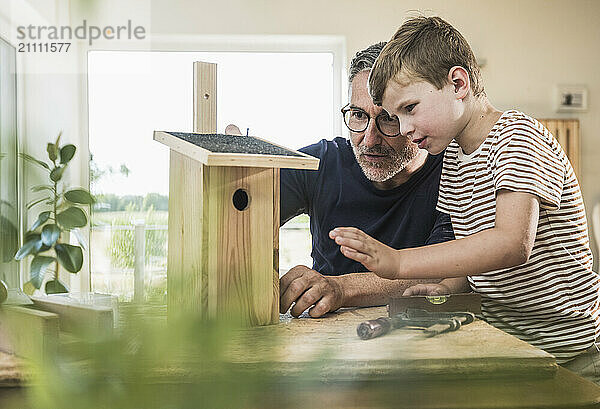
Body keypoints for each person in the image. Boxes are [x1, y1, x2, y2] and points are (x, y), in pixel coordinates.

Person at [329, 16, 600, 381]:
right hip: (509, 347)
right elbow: (474, 256)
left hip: (570, 353)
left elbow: (510, 245)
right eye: (397, 116)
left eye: (409, 109)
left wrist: (397, 262)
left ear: (458, 83)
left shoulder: (517, 137)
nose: (405, 129)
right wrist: (448, 287)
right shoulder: (454, 159)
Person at [277, 42, 455, 318]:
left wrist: (340, 288)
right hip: (324, 333)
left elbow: (443, 268)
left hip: (415, 335)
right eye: (358, 115)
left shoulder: (452, 171)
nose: (369, 139)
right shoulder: (318, 163)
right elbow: (241, 220)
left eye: (387, 119)